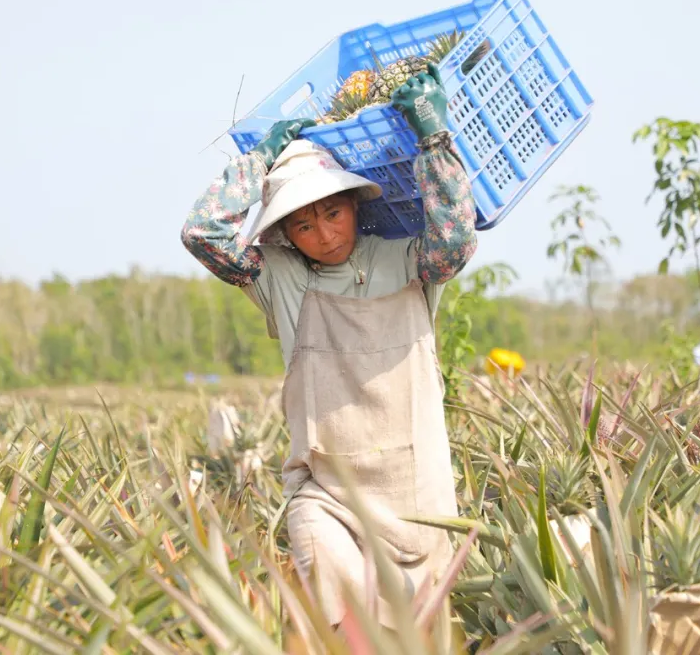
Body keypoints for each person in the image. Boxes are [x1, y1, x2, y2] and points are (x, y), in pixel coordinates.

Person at [180, 63, 477, 635]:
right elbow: (203, 234)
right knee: (342, 631)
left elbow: (457, 241)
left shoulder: (408, 258)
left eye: (333, 212)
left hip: (417, 490)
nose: (325, 234)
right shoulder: (278, 278)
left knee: (418, 637)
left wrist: (435, 141)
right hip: (326, 491)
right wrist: (257, 161)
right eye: (303, 225)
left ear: (355, 205)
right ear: (284, 235)